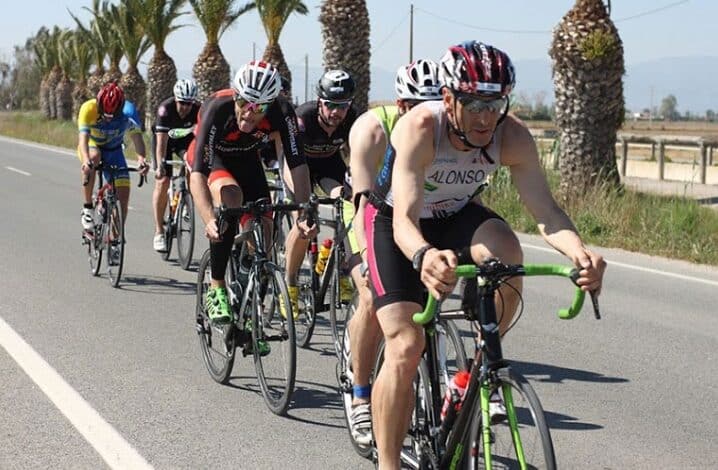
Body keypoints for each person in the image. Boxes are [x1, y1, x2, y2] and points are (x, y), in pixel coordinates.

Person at [363, 41, 607, 469]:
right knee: (406, 345)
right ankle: (387, 463)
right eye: (473, 103)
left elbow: (546, 213)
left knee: (507, 248)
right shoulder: (420, 127)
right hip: (396, 223)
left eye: (494, 103)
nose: (484, 116)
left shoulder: (511, 135)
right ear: (448, 98)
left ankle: (478, 369)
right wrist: (423, 256)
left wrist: (579, 252)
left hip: (455, 215)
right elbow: (403, 218)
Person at [345, 59, 443, 446]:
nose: (429, 116)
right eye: (420, 106)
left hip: (414, 215)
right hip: (367, 211)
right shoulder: (373, 129)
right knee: (371, 295)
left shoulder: (442, 131)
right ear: (402, 106)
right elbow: (361, 208)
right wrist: (368, 258)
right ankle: (361, 393)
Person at [189, 60, 314, 326]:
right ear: (235, 95)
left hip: (247, 159)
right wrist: (209, 217)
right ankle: (217, 287)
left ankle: (248, 301)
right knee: (232, 198)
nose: (249, 113)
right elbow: (198, 172)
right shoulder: (218, 107)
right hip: (215, 160)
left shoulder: (282, 111)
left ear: (270, 104)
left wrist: (303, 210)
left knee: (265, 231)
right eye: (244, 103)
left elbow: (296, 163)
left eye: (258, 109)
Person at [283, 70, 359, 313]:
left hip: (329, 165)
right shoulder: (303, 118)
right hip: (297, 165)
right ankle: (290, 285)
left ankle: (343, 270)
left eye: (343, 106)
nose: (336, 112)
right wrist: (301, 204)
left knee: (350, 205)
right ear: (320, 103)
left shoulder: (352, 119)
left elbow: (357, 156)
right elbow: (292, 162)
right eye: (330, 105)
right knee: (303, 224)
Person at [78, 81, 149, 253]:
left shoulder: (128, 112)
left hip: (115, 150)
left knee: (123, 194)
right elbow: (83, 141)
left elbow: (137, 140)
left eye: (113, 114)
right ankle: (87, 208)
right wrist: (86, 161)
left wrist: (141, 160)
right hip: (94, 146)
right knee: (93, 159)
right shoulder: (88, 109)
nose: (109, 117)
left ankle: (114, 241)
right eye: (105, 113)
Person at [150, 78, 201, 252]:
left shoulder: (198, 110)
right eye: (182, 103)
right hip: (164, 142)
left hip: (183, 142)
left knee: (193, 166)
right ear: (175, 99)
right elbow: (161, 144)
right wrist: (160, 166)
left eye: (189, 103)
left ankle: (186, 201)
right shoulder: (166, 109)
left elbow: (199, 141)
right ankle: (158, 231)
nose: (186, 107)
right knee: (163, 181)